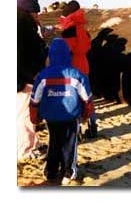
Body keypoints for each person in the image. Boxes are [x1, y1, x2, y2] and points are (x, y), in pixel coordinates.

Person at [30, 38, 94, 185]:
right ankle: (68, 171)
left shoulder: (43, 76)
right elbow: (87, 98)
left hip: (51, 117)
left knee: (54, 141)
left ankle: (50, 171)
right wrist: (86, 114)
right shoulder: (76, 75)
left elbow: (35, 99)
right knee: (69, 144)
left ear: (50, 55)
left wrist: (35, 117)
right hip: (71, 116)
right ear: (68, 55)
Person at [58, 0, 97, 137]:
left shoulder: (69, 30)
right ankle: (93, 126)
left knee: (74, 99)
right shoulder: (82, 28)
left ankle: (78, 129)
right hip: (84, 66)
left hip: (72, 68)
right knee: (87, 98)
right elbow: (87, 46)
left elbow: (67, 50)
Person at [17, 0, 48, 160]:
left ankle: (32, 142)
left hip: (24, 77)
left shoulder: (22, 23)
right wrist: (30, 75)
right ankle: (25, 150)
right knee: (25, 115)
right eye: (36, 12)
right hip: (24, 80)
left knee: (25, 114)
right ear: (29, 11)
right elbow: (19, 56)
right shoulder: (22, 25)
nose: (38, 15)